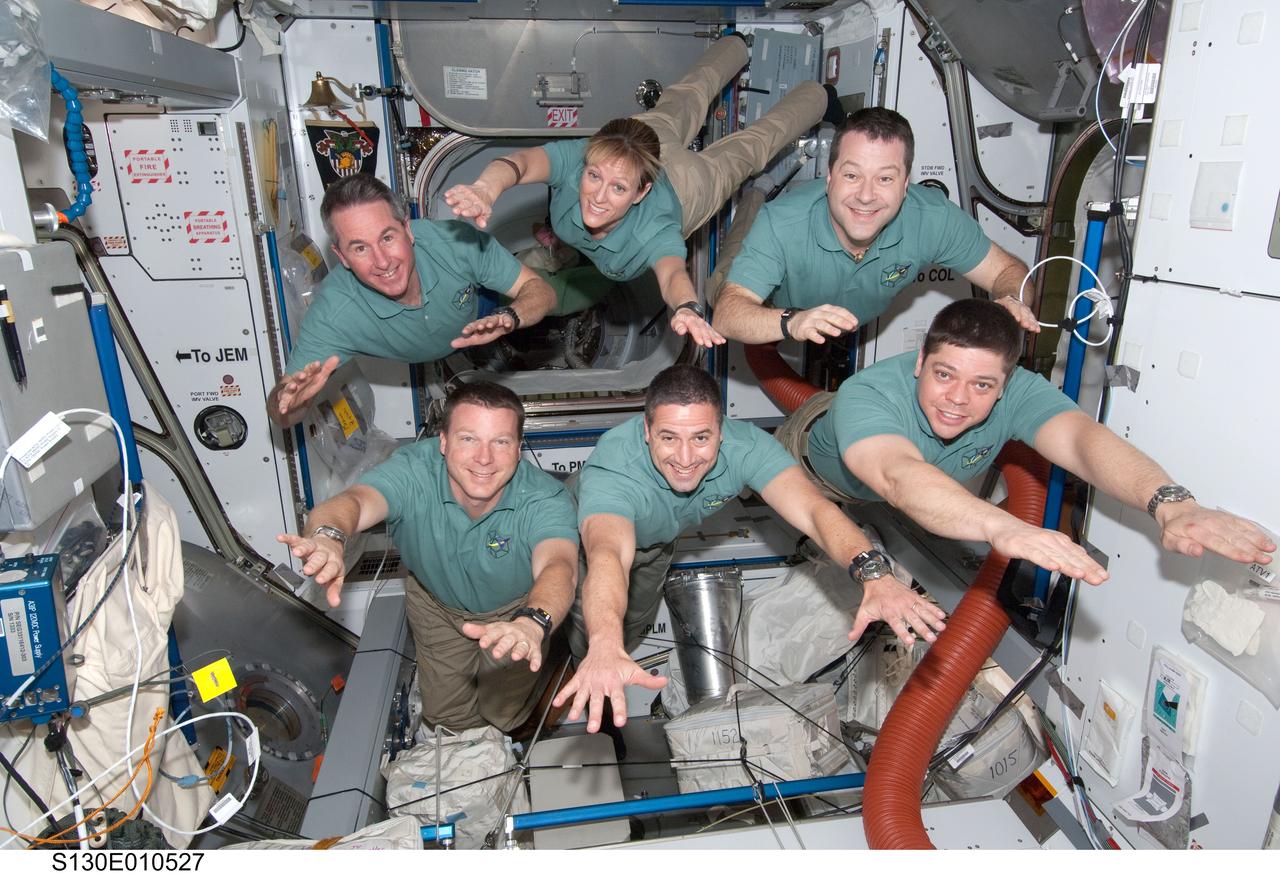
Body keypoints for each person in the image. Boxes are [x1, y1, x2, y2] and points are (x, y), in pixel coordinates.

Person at [551, 364, 946, 734]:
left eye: (701, 438)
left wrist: (875, 575)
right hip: (580, 538)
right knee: (589, 630)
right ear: (646, 431)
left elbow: (813, 509)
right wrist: (604, 644)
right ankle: (576, 671)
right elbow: (607, 554)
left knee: (630, 625)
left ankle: (587, 667)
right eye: (669, 438)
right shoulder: (615, 467)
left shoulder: (746, 448)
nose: (686, 459)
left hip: (654, 544)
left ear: (721, 431)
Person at [783, 298, 1275, 583]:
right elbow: (899, 477)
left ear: (1006, 383)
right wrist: (1002, 527)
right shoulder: (866, 395)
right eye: (943, 374)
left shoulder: (1020, 392)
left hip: (915, 488)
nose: (957, 399)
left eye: (982, 385)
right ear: (918, 364)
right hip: (809, 465)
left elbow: (1084, 441)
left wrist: (1171, 503)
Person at [444, 36, 829, 351]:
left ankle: (820, 96)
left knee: (749, 149)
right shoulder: (581, 158)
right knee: (688, 94)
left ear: (641, 193)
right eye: (594, 177)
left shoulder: (655, 230)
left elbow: (672, 274)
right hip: (641, 142)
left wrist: (688, 307)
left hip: (689, 187)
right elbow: (519, 164)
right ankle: (738, 44)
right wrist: (485, 187)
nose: (597, 196)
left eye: (617, 189)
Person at [277, 382, 579, 733]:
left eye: (501, 441)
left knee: (503, 715)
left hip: (514, 613)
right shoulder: (413, 472)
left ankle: (557, 653)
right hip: (435, 604)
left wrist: (534, 623)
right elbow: (356, 502)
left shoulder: (544, 499)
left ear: (517, 449)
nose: (485, 457)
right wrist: (329, 535)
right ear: (444, 442)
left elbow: (560, 566)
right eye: (469, 439)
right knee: (447, 718)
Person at [711, 107, 1041, 345]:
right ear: (829, 176)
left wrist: (1012, 298)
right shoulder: (781, 223)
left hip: (851, 322)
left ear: (906, 183)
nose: (866, 196)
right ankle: (757, 190)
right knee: (721, 280)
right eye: (852, 175)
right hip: (778, 308)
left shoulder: (932, 217)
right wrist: (792, 321)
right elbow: (727, 314)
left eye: (885, 178)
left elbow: (1008, 273)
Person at [267, 174, 559, 427]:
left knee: (561, 288)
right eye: (360, 248)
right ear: (341, 257)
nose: (382, 261)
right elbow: (281, 413)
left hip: (485, 305)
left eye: (387, 238)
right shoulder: (334, 315)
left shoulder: (455, 244)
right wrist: (290, 403)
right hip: (439, 342)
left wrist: (511, 316)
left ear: (407, 229)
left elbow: (542, 291)